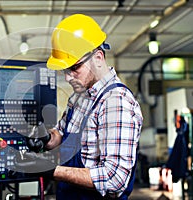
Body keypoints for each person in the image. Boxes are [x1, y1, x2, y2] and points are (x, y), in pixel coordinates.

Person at [16, 14, 143, 199]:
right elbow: (61, 134)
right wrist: (45, 137)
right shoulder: (79, 96)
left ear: (98, 58)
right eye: (65, 70)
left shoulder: (116, 102)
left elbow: (115, 180)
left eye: (74, 68)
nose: (68, 77)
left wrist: (52, 170)